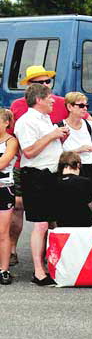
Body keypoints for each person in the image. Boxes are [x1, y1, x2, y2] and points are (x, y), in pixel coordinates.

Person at [9, 65, 65, 268]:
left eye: (47, 82)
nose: (44, 86)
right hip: (30, 168)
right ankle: (13, 251)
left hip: (49, 170)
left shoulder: (57, 105)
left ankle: (48, 258)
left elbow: (80, 114)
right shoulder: (18, 106)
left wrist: (61, 136)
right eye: (39, 83)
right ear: (31, 89)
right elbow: (17, 139)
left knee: (48, 217)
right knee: (21, 210)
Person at [61, 91, 92, 189]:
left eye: (86, 105)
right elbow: (56, 154)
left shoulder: (89, 125)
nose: (85, 108)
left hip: (89, 168)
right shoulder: (60, 127)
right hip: (69, 169)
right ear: (69, 107)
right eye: (81, 105)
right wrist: (79, 150)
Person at [0, 109, 17, 285]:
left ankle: (4, 270)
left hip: (4, 189)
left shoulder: (11, 141)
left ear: (6, 123)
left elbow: (4, 162)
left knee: (3, 232)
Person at [55, 151, 92, 227]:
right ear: (78, 165)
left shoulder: (54, 182)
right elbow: (89, 204)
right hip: (84, 221)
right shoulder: (86, 181)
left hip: (62, 222)